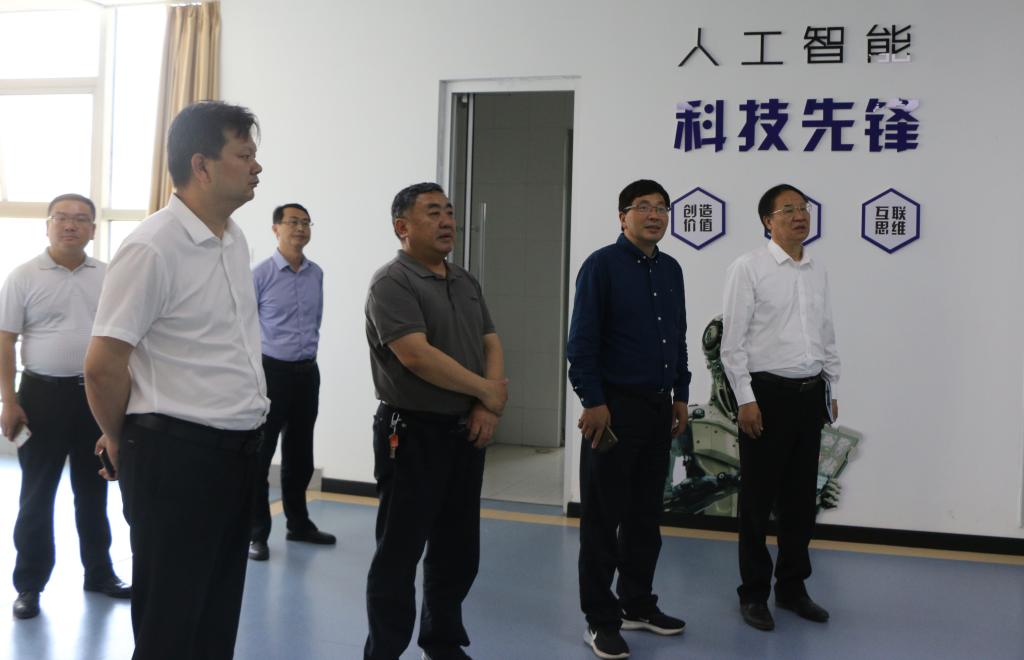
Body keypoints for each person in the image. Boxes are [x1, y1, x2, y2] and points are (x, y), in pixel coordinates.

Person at [83, 101, 269, 660]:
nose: (257, 166)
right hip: (176, 457)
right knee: (171, 624)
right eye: (245, 155)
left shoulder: (233, 238)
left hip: (236, 455)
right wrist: (118, 436)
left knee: (215, 616)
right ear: (202, 165)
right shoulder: (152, 246)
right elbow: (103, 363)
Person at [363, 182, 508, 660]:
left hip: (464, 431)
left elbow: (490, 340)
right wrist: (485, 390)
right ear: (402, 227)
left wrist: (486, 405)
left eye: (448, 211)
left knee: (458, 550)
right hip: (411, 433)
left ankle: (442, 642)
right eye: (432, 213)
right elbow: (416, 356)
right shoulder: (392, 283)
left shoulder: (464, 280)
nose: (447, 221)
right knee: (399, 553)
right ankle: (383, 651)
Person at [567, 179, 690, 660]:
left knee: (645, 516)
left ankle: (637, 603)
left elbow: (677, 336)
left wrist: (681, 394)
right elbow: (581, 343)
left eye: (662, 207)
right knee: (603, 519)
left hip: (659, 409)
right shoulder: (601, 266)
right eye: (643, 207)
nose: (655, 215)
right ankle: (600, 620)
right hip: (613, 410)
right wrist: (593, 400)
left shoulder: (671, 269)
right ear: (623, 217)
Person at [0, 193, 131, 620]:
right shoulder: (23, 276)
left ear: (93, 228)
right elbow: (5, 340)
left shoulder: (109, 276)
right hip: (40, 398)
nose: (70, 225)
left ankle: (100, 573)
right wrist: (8, 400)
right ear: (48, 225)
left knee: (93, 490)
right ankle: (29, 584)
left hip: (93, 398)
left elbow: (124, 341)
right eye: (62, 217)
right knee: (36, 494)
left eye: (80, 219)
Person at [720, 183, 841, 632]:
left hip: (809, 395)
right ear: (767, 221)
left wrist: (830, 387)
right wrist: (746, 400)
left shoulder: (816, 269)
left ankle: (792, 587)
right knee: (757, 502)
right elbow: (732, 343)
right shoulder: (748, 268)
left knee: (800, 501)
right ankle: (753, 593)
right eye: (788, 209)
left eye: (803, 208)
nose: (799, 216)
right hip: (766, 397)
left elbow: (826, 332)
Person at [248, 202, 334, 562]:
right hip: (271, 373)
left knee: (300, 455)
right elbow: (244, 327)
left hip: (306, 373)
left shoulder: (316, 274)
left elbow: (316, 321)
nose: (300, 228)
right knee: (261, 455)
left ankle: (299, 524)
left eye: (306, 222)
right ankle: (256, 534)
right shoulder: (260, 274)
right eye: (293, 222)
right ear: (276, 229)